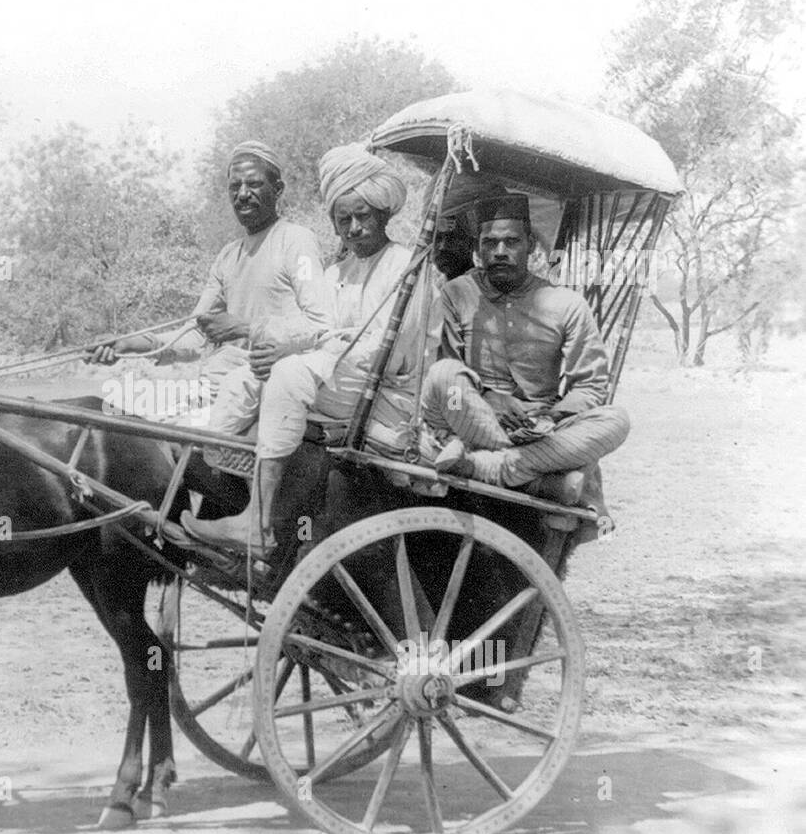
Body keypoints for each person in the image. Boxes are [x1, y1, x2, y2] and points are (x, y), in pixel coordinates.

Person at [180, 142, 420, 552]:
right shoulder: (337, 272)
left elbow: (391, 353)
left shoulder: (405, 266)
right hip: (345, 379)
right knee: (245, 375)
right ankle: (226, 469)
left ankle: (259, 522)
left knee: (289, 374)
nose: (354, 228)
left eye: (363, 216)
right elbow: (311, 330)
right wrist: (286, 346)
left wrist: (318, 349)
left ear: (383, 214)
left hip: (388, 394)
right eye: (344, 219)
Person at [423, 193, 630, 496]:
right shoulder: (456, 294)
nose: (500, 252)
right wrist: (488, 396)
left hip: (539, 431)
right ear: (478, 247)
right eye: (490, 243)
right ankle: (527, 468)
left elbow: (590, 386)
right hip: (467, 414)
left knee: (616, 420)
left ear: (530, 244)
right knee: (444, 378)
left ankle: (486, 466)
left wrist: (549, 418)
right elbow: (448, 368)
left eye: (512, 242)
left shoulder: (567, 304)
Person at [87, 141, 332, 396]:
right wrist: (127, 344)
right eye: (235, 186)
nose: (243, 194)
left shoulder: (296, 241)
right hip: (228, 385)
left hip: (278, 385)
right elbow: (195, 335)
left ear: (277, 189)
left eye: (254, 184)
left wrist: (246, 328)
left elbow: (320, 324)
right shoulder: (227, 257)